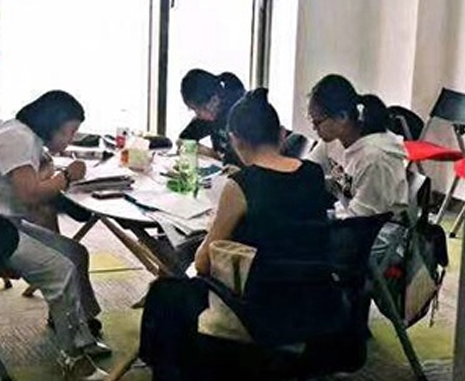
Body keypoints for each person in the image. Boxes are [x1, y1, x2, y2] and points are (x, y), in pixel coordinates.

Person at [140, 89, 330, 381]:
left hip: (254, 307)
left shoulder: (241, 184)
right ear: (281, 134)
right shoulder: (314, 174)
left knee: (164, 294)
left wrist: (213, 227)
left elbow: (203, 263)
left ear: (234, 139)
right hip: (310, 301)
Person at [0, 91, 108, 380]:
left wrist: (54, 173)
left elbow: (28, 187)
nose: (70, 140)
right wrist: (67, 177)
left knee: (74, 253)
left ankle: (82, 335)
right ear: (52, 124)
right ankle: (72, 358)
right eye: (69, 132)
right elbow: (30, 195)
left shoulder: (21, 134)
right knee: (60, 270)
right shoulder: (17, 138)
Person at [305, 74, 409, 256]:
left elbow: (360, 222)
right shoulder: (333, 140)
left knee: (298, 244)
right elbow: (306, 171)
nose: (314, 128)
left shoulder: (375, 159)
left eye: (317, 122)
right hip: (348, 221)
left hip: (376, 239)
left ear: (342, 117)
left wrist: (324, 219)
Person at [178, 69, 246, 165]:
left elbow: (243, 162)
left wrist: (212, 154)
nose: (198, 115)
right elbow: (184, 140)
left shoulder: (240, 115)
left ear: (214, 100)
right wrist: (211, 154)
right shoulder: (211, 113)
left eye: (198, 109)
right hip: (223, 170)